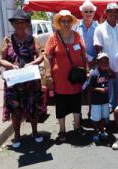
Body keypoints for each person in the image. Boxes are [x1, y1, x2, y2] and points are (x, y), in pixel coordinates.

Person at [0, 10, 44, 148]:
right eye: (16, 22)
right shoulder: (7, 40)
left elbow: (41, 56)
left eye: (22, 21)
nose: (19, 24)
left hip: (30, 80)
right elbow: (1, 59)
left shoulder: (33, 39)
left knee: (33, 108)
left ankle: (35, 133)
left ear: (27, 24)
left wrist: (32, 63)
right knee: (15, 110)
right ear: (13, 24)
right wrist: (11, 65)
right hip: (13, 81)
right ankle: (17, 135)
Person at [44, 10, 89, 142]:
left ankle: (77, 126)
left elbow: (84, 55)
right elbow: (47, 57)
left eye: (68, 21)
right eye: (63, 21)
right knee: (61, 103)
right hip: (61, 78)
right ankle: (62, 130)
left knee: (76, 101)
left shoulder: (77, 35)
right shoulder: (53, 37)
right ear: (59, 22)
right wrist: (48, 74)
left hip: (76, 77)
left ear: (71, 22)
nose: (66, 23)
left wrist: (86, 71)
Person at [93, 2, 118, 110]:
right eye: (110, 11)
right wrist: (107, 69)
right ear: (106, 13)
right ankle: (106, 121)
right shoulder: (100, 28)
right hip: (106, 68)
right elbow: (98, 49)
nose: (113, 13)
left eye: (116, 11)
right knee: (107, 95)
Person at [89, 53, 110, 143]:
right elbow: (90, 87)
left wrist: (105, 89)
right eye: (102, 61)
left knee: (102, 117)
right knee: (96, 118)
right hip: (96, 101)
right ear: (97, 62)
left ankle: (102, 131)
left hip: (104, 100)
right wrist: (100, 90)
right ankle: (95, 133)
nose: (104, 63)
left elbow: (107, 82)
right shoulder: (94, 74)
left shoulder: (106, 72)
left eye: (106, 62)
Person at [73, 0, 98, 67]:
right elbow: (73, 43)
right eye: (86, 11)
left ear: (94, 13)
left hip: (94, 62)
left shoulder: (98, 27)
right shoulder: (75, 26)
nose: (88, 14)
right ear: (82, 13)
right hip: (79, 61)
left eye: (91, 11)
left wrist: (93, 59)